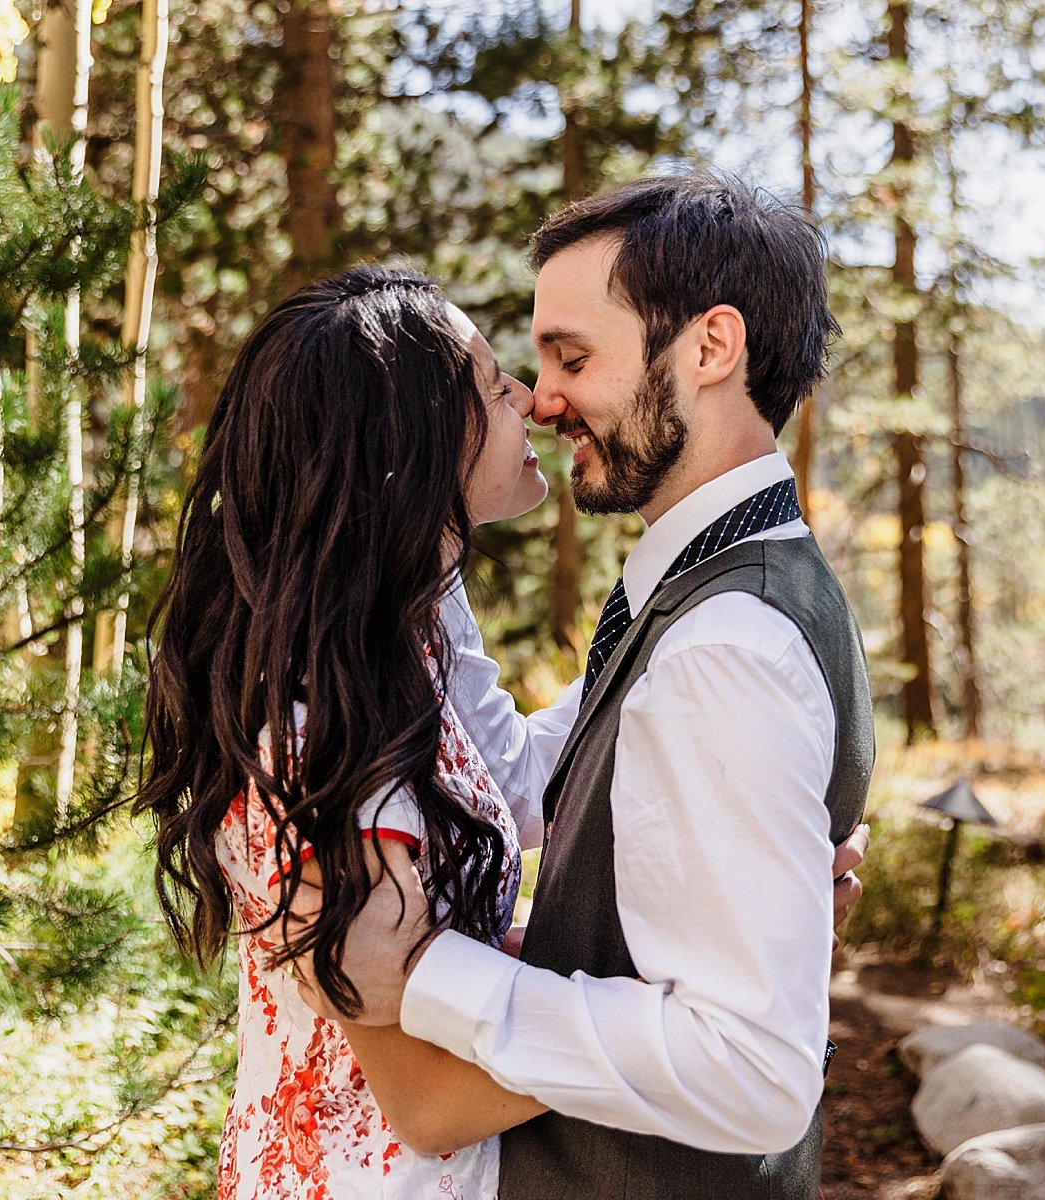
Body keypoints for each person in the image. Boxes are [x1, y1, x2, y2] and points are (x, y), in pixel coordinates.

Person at [137, 262, 868, 1200]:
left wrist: (753, 906)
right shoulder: (315, 732)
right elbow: (428, 1096)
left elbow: (517, 785)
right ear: (407, 439)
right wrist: (715, 1013)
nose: (533, 396)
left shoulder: (413, 624)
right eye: (494, 380)